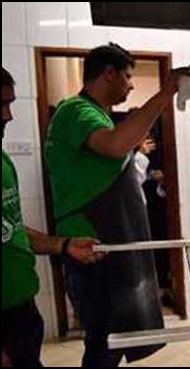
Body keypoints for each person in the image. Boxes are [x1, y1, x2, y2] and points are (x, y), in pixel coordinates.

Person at [44, 43, 190, 367]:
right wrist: (166, 93)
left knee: (114, 341)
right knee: (104, 344)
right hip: (89, 246)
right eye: (127, 76)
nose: (131, 85)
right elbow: (115, 145)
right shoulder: (76, 111)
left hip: (109, 242)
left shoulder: (98, 115)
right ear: (109, 73)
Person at [3, 67, 104, 368]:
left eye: (9, 104)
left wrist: (65, 245)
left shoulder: (4, 162)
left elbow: (13, 230)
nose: (8, 116)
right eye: (0, 105)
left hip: (21, 308)